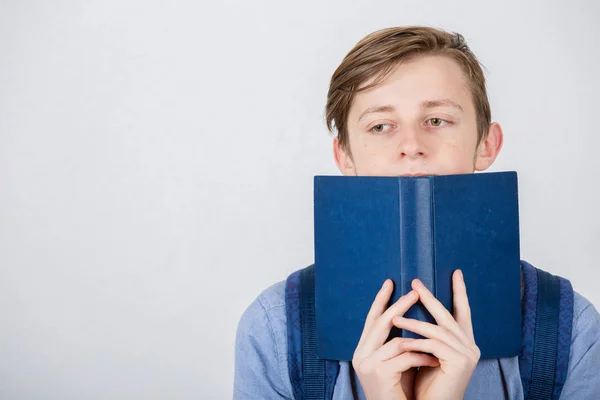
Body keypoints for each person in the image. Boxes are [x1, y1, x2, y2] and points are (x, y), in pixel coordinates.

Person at [233, 26, 600, 399]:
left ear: (487, 144)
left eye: (436, 120)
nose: (411, 146)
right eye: (380, 126)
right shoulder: (274, 330)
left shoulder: (573, 334)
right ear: (344, 156)